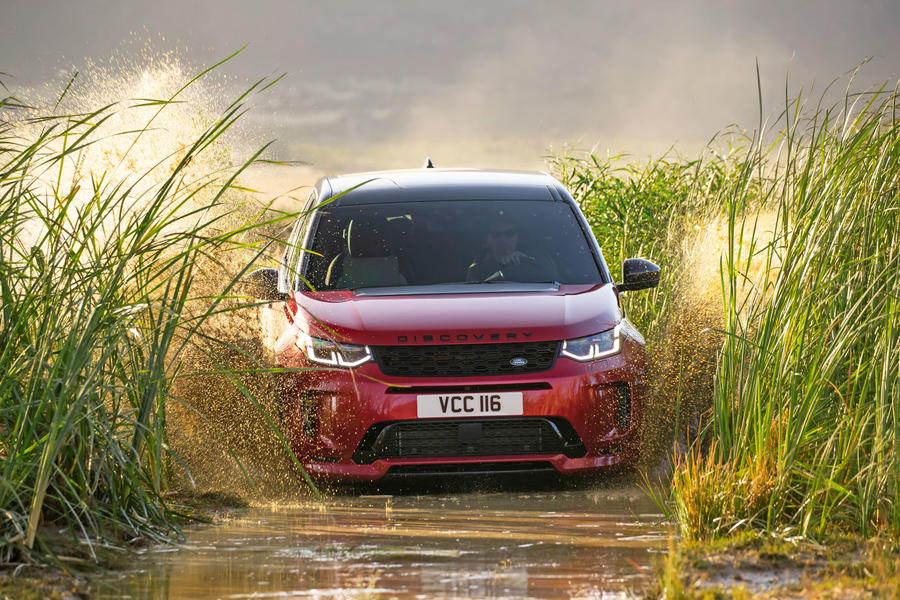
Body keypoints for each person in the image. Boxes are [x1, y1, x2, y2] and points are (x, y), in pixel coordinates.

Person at [466, 220, 558, 282]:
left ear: (517, 237)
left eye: (509, 233)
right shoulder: (477, 269)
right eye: (496, 234)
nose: (503, 239)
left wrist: (525, 261)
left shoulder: (536, 260)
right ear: (486, 240)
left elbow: (553, 278)